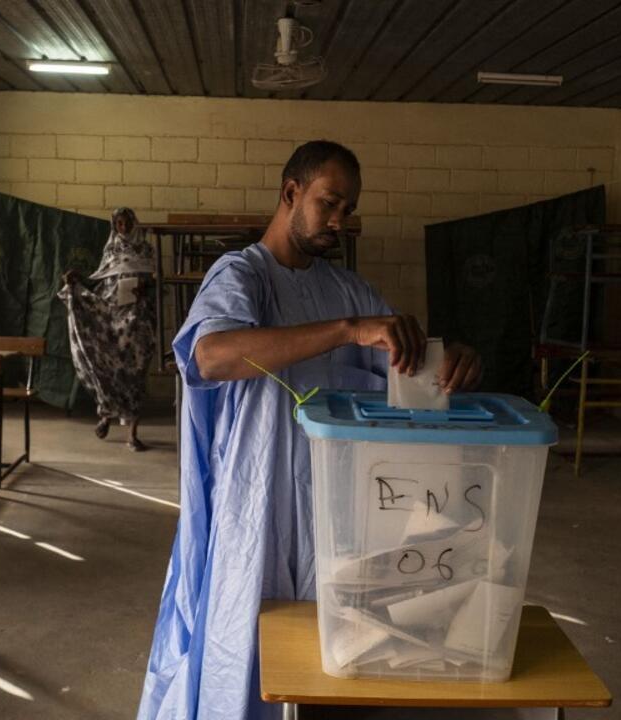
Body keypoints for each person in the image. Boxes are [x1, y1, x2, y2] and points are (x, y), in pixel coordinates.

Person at [137, 141, 483, 720]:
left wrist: (453, 362)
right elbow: (211, 356)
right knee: (249, 641)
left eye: (347, 210)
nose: (338, 222)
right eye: (329, 203)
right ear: (290, 192)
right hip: (261, 501)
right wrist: (346, 331)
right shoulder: (244, 274)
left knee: (333, 651)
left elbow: (408, 371)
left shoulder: (348, 289)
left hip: (338, 507)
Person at [58, 207, 157, 451]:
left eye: (126, 223)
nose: (122, 228)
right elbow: (100, 281)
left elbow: (156, 282)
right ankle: (106, 414)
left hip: (137, 319)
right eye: (118, 224)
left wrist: (146, 289)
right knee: (107, 366)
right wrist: (76, 281)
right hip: (112, 316)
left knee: (135, 371)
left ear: (134, 223)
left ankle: (132, 434)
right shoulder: (111, 250)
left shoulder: (146, 250)